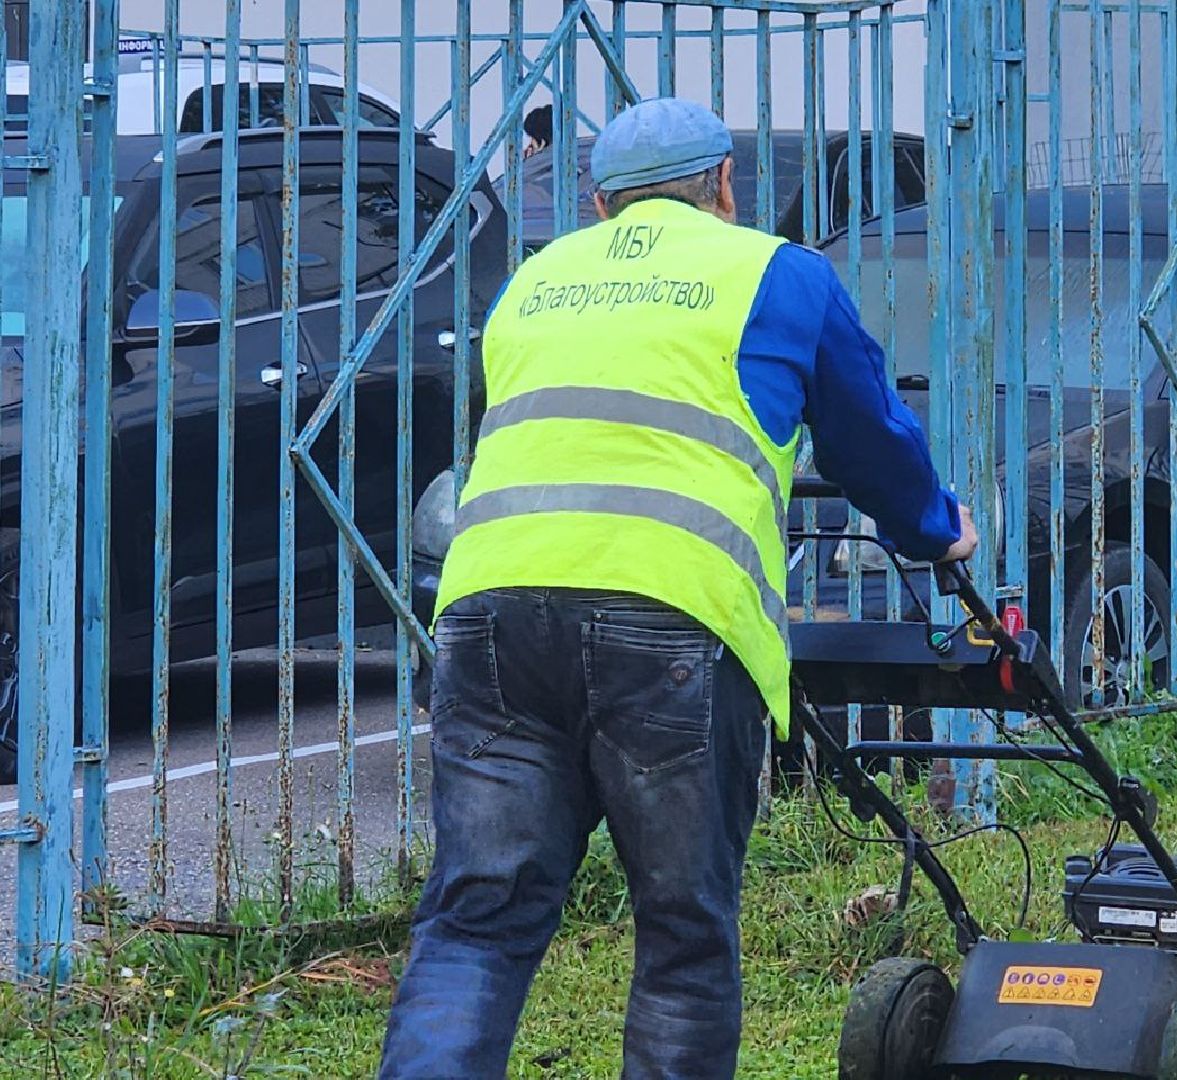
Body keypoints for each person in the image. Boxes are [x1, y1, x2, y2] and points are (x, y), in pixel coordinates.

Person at [378, 96, 978, 1079]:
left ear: (599, 201)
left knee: (475, 923)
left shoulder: (534, 281)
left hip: (488, 615)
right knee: (683, 941)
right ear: (726, 185)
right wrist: (937, 531)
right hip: (675, 623)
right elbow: (871, 441)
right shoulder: (777, 275)